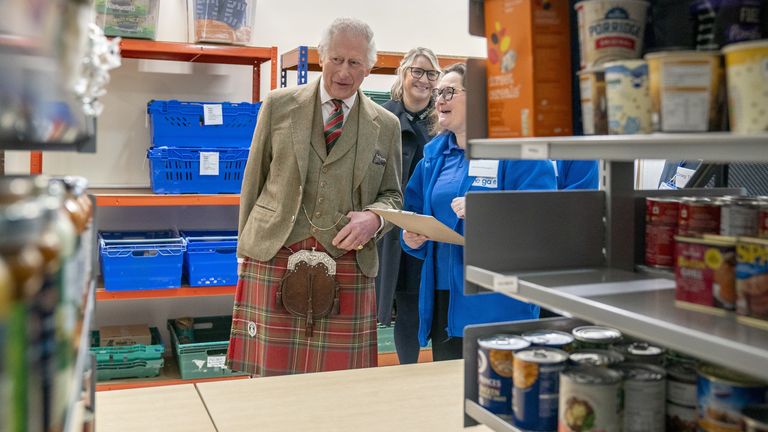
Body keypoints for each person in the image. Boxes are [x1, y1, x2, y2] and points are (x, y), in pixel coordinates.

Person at [226, 18, 403, 377]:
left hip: (348, 262)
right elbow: (254, 178)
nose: (343, 71)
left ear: (369, 67)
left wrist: (376, 219)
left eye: (355, 62)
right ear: (322, 56)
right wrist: (243, 248)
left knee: (340, 381)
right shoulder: (278, 105)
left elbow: (392, 196)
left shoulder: (386, 125)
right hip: (274, 250)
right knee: (267, 374)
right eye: (337, 59)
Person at [401, 63, 557, 361]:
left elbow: (544, 217)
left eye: (449, 91)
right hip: (443, 301)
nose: (439, 100)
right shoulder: (433, 158)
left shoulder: (517, 151)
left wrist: (487, 211)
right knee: (448, 398)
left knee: (499, 396)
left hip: (496, 303)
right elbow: (413, 215)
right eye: (438, 93)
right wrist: (411, 237)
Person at [375, 47, 441, 365]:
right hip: (391, 231)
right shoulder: (380, 118)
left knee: (427, 304)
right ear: (403, 74)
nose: (423, 80)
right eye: (417, 71)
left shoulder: (443, 124)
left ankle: (421, 373)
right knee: (399, 301)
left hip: (432, 229)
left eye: (431, 74)